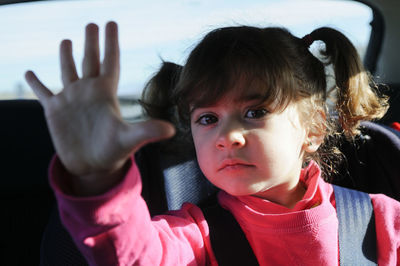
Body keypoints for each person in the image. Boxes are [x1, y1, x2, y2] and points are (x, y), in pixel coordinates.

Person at [25, 21, 399, 265]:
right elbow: (135, 255)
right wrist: (98, 179)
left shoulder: (380, 221)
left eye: (255, 112)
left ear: (314, 128)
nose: (227, 136)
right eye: (207, 119)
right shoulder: (195, 234)